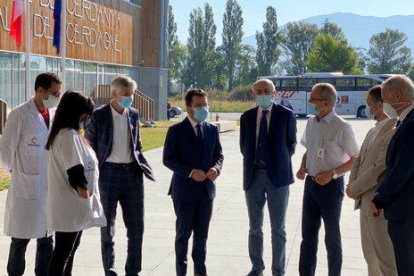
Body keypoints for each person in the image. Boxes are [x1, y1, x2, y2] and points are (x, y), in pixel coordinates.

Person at [86, 74, 155, 276]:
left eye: (132, 94)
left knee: (136, 227)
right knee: (107, 227)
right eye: (126, 94)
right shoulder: (99, 116)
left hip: (132, 175)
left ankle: (133, 270)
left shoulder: (133, 113)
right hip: (108, 175)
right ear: (113, 93)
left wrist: (141, 161)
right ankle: (110, 269)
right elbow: (88, 147)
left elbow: (137, 144)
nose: (129, 98)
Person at [0, 72, 62, 276]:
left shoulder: (53, 114)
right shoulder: (19, 114)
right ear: (40, 91)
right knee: (20, 239)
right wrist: (23, 173)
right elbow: (6, 153)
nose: (57, 96)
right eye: (54, 92)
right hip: (26, 188)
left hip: (49, 188)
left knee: (47, 239)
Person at [296, 83, 359, 276]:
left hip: (332, 187)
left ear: (325, 102)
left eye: (312, 99)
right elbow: (310, 148)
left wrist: (332, 173)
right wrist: (302, 166)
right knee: (307, 237)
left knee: (332, 237)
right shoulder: (311, 122)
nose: (309, 101)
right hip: (311, 185)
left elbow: (355, 159)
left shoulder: (342, 127)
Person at [163, 89, 224, 276]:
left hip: (206, 192)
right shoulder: (176, 131)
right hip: (184, 192)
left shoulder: (212, 129)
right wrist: (190, 172)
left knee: (201, 238)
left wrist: (216, 168)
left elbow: (219, 155)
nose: (203, 108)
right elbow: (168, 159)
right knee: (183, 237)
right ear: (189, 107)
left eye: (205, 104)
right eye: (198, 105)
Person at [239, 79, 297, 276]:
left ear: (274, 93)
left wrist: (276, 162)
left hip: (278, 178)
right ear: (253, 94)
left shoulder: (286, 115)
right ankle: (257, 267)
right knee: (255, 227)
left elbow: (291, 144)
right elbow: (243, 147)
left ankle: (278, 270)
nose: (262, 93)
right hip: (253, 176)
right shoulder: (246, 117)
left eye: (266, 90)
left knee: (278, 228)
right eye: (259, 91)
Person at [45, 91, 106, 275]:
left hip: (73, 207)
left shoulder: (70, 135)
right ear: (75, 113)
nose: (86, 118)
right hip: (70, 206)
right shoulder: (67, 136)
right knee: (62, 254)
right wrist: (84, 194)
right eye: (85, 113)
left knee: (67, 253)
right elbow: (75, 171)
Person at [346, 85, 397, 276]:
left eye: (370, 104)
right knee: (370, 255)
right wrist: (352, 185)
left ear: (380, 104)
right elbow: (359, 160)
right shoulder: (372, 130)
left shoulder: (392, 130)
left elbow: (379, 167)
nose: (368, 108)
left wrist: (356, 187)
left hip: (377, 203)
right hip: (363, 201)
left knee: (385, 258)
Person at [371, 75, 414, 275]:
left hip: (406, 212)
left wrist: (380, 198)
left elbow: (401, 169)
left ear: (398, 95)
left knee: (406, 265)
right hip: (405, 210)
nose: (383, 104)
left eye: (384, 99)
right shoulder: (405, 121)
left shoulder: (410, 125)